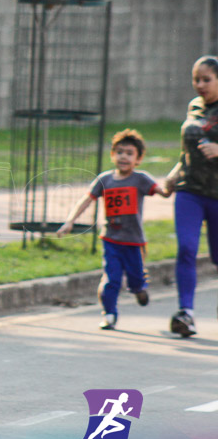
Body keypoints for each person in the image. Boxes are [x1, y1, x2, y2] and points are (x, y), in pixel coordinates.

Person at [57, 129, 169, 330]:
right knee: (112, 278)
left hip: (134, 241)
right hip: (111, 239)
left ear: (138, 158)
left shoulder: (141, 179)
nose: (123, 157)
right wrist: (70, 220)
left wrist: (169, 187)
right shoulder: (105, 180)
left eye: (129, 153)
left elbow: (161, 191)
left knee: (135, 279)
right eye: (119, 152)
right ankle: (109, 314)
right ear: (112, 155)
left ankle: (139, 289)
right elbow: (87, 199)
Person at [164, 55, 218, 338]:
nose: (199, 85)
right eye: (196, 79)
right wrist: (174, 174)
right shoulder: (194, 106)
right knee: (186, 248)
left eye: (206, 79)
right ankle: (187, 313)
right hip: (190, 192)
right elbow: (188, 151)